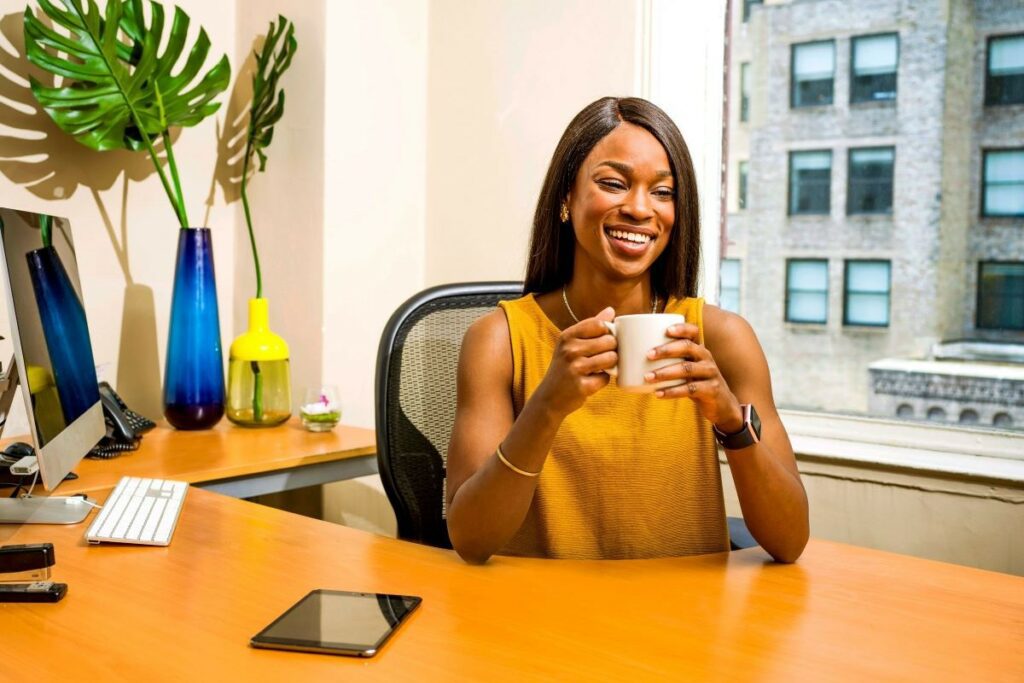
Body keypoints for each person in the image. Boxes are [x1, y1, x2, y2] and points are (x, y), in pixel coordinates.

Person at [445, 97, 808, 564]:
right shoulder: (498, 341)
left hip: (684, 618)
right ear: (565, 198)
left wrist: (731, 422)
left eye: (663, 192)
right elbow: (471, 540)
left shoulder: (722, 338)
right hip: (541, 620)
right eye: (613, 184)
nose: (640, 209)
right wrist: (547, 406)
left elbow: (791, 540)